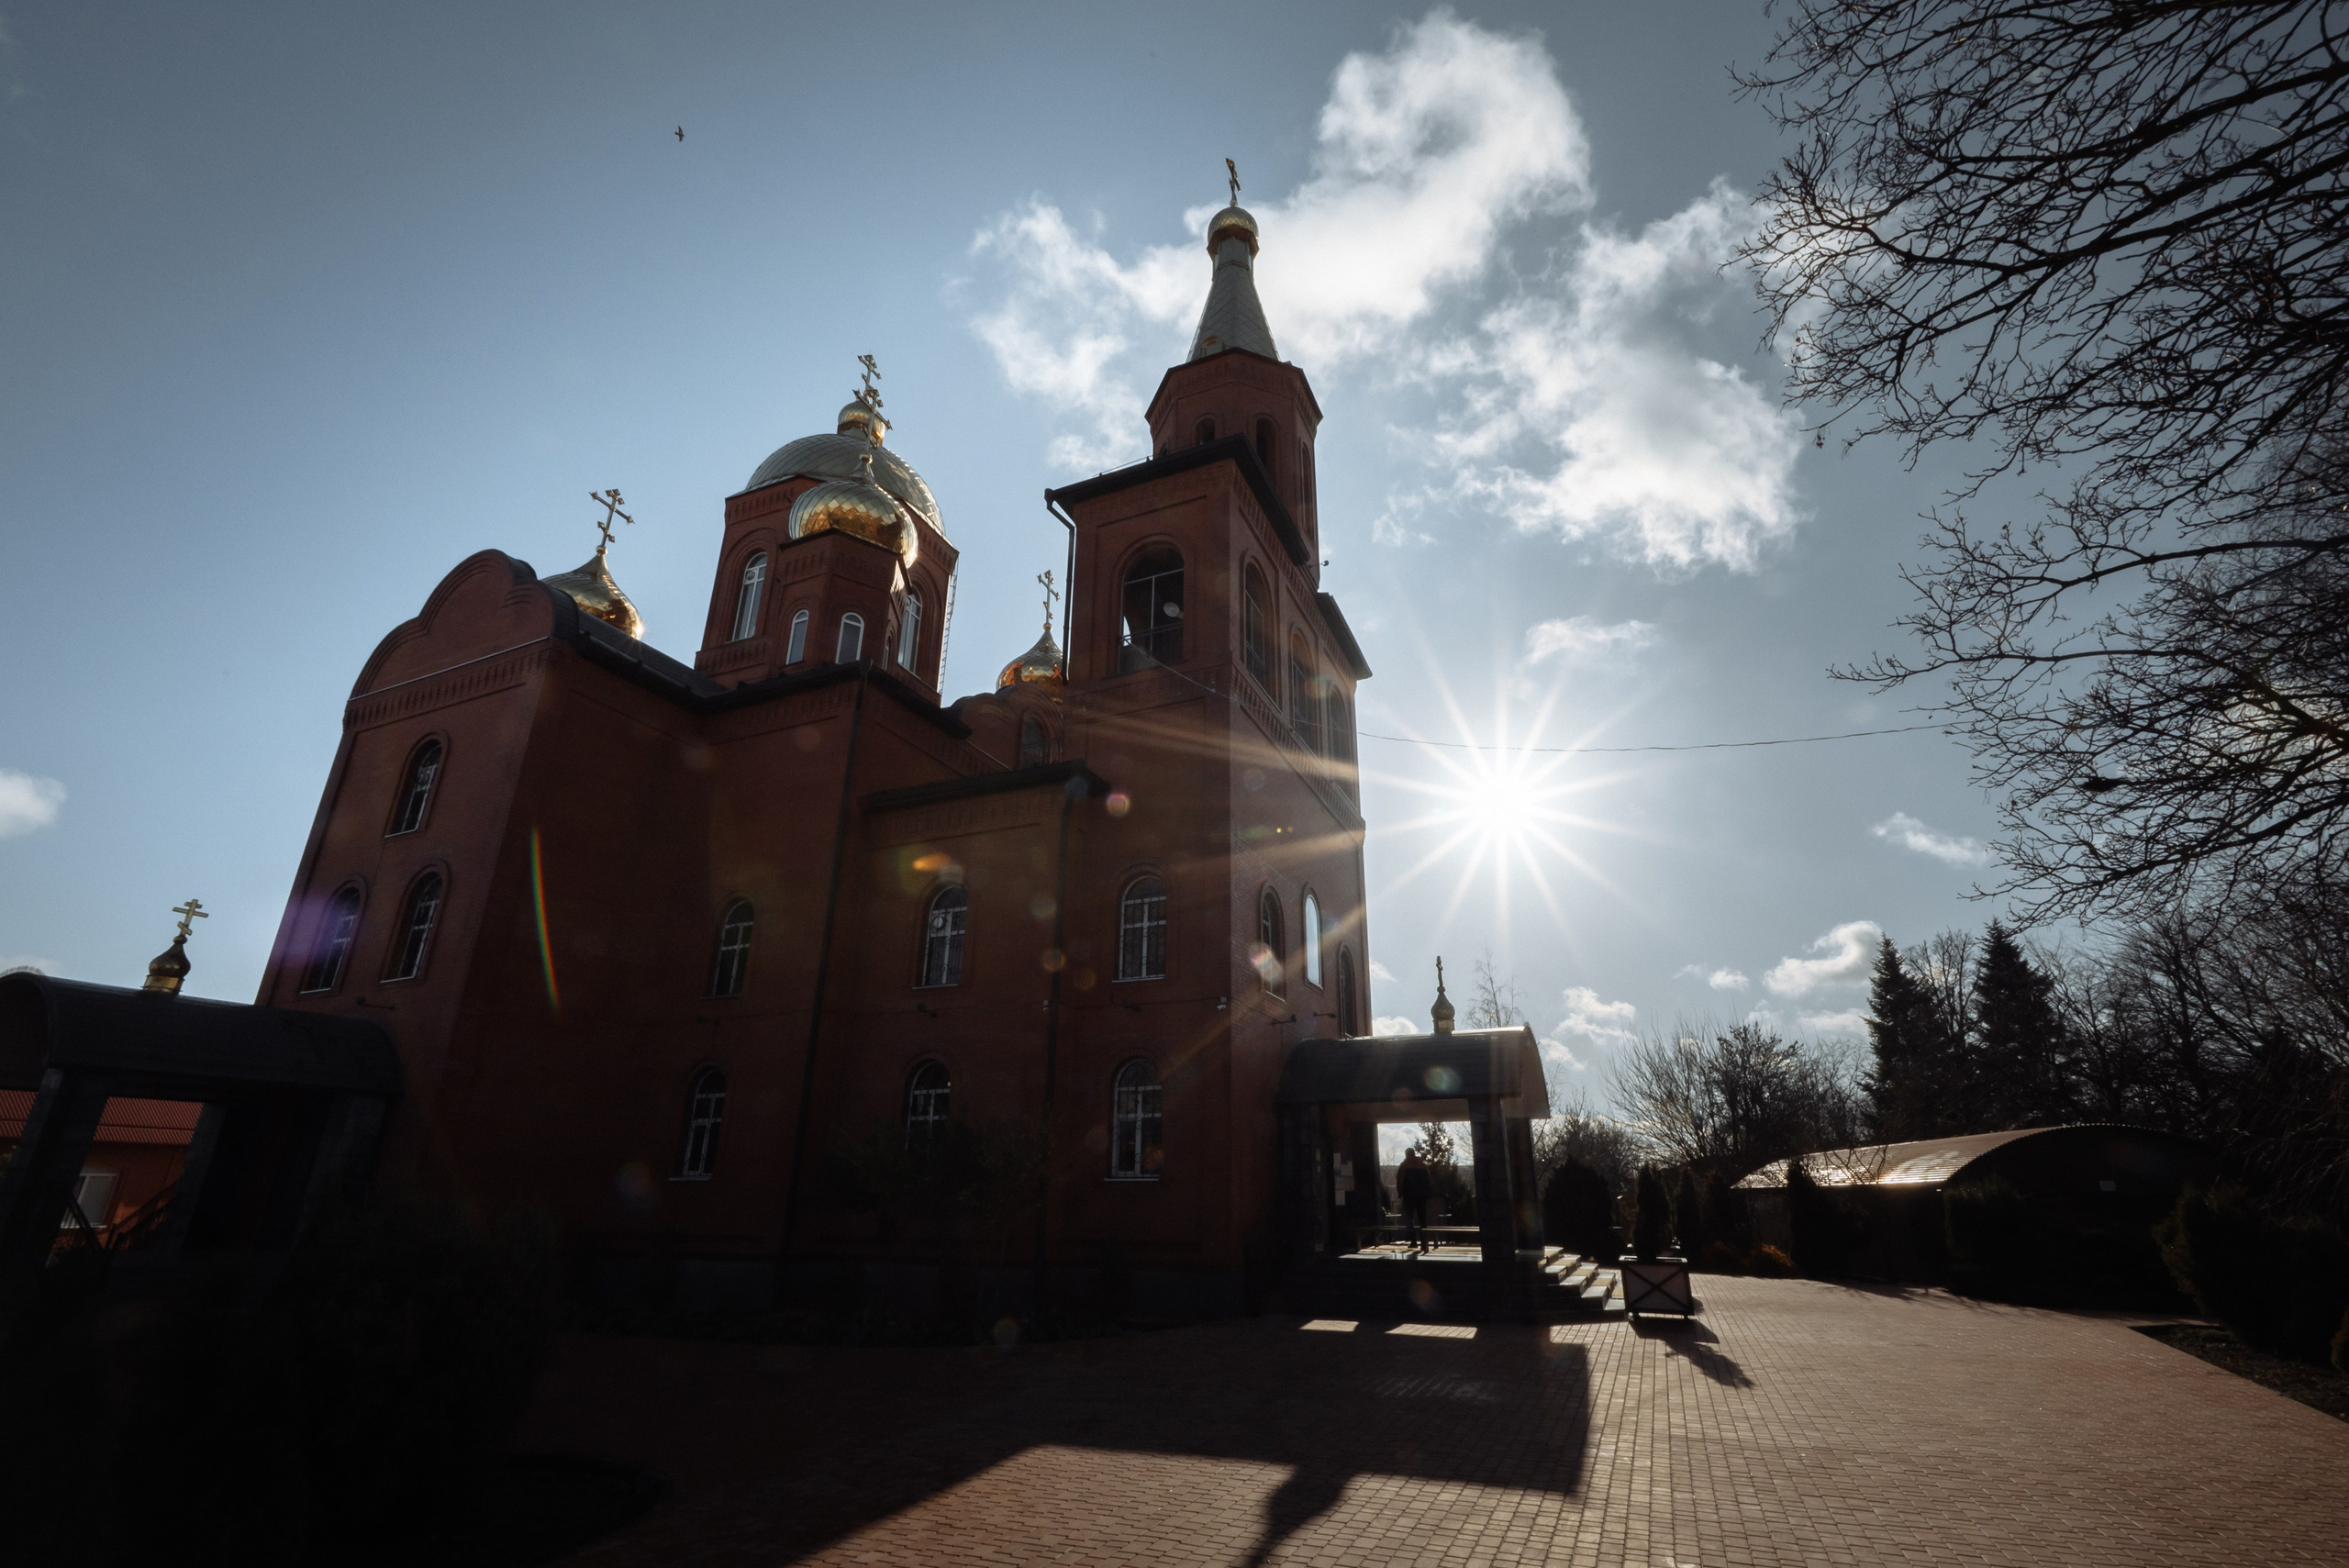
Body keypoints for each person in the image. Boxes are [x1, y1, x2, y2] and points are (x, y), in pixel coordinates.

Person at [1397, 1149, 1432, 1252]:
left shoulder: (1404, 1165)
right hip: (1422, 1196)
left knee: (1409, 1218)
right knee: (1422, 1219)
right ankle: (1424, 1243)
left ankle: (1413, 1240)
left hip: (1409, 1195)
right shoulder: (1423, 1165)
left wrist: (1400, 1192)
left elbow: (1400, 1179)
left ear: (1406, 1154)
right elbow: (1429, 1180)